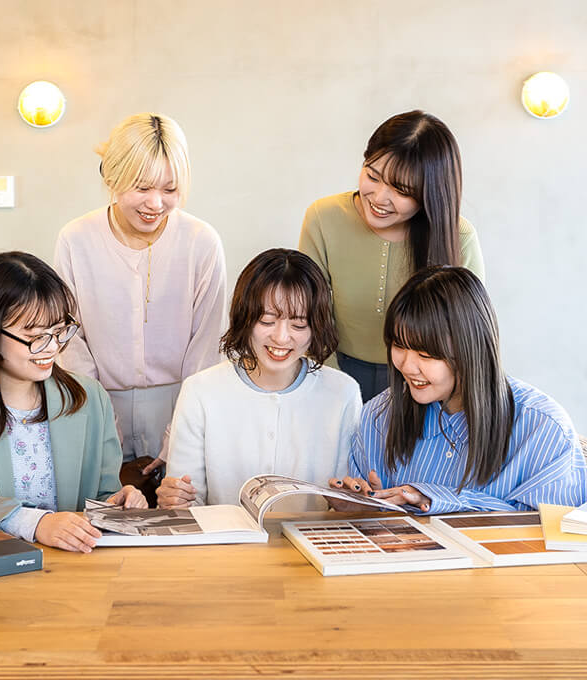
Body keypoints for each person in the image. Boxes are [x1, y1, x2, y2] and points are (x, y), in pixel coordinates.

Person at [0, 252, 147, 554]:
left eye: (59, 331)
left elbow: (101, 494)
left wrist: (118, 502)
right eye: (35, 336)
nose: (52, 347)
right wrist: (34, 523)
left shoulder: (88, 397)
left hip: (76, 564)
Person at [330, 266, 587, 514]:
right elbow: (364, 516)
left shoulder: (542, 428)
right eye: (398, 346)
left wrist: (436, 498)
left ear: (471, 350)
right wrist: (361, 508)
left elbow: (558, 530)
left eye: (425, 354)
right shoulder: (378, 417)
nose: (407, 366)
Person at [54, 112, 227, 473]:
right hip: (96, 398)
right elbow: (70, 339)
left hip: (181, 400)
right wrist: (100, 418)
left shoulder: (201, 242)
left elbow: (206, 345)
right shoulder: (76, 240)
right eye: (142, 188)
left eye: (170, 190)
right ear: (112, 177)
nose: (155, 204)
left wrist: (181, 429)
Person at [299, 110, 485, 401]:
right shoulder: (323, 217)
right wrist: (332, 385)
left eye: (402, 190)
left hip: (421, 381)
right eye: (372, 176)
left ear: (429, 194)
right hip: (335, 370)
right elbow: (307, 310)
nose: (379, 198)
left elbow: (470, 334)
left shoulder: (458, 237)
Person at [157, 248, 361, 509]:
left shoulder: (342, 393)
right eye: (266, 321)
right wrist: (175, 500)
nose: (281, 337)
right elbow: (187, 502)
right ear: (245, 317)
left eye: (299, 325)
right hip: (227, 536)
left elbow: (344, 501)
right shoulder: (200, 391)